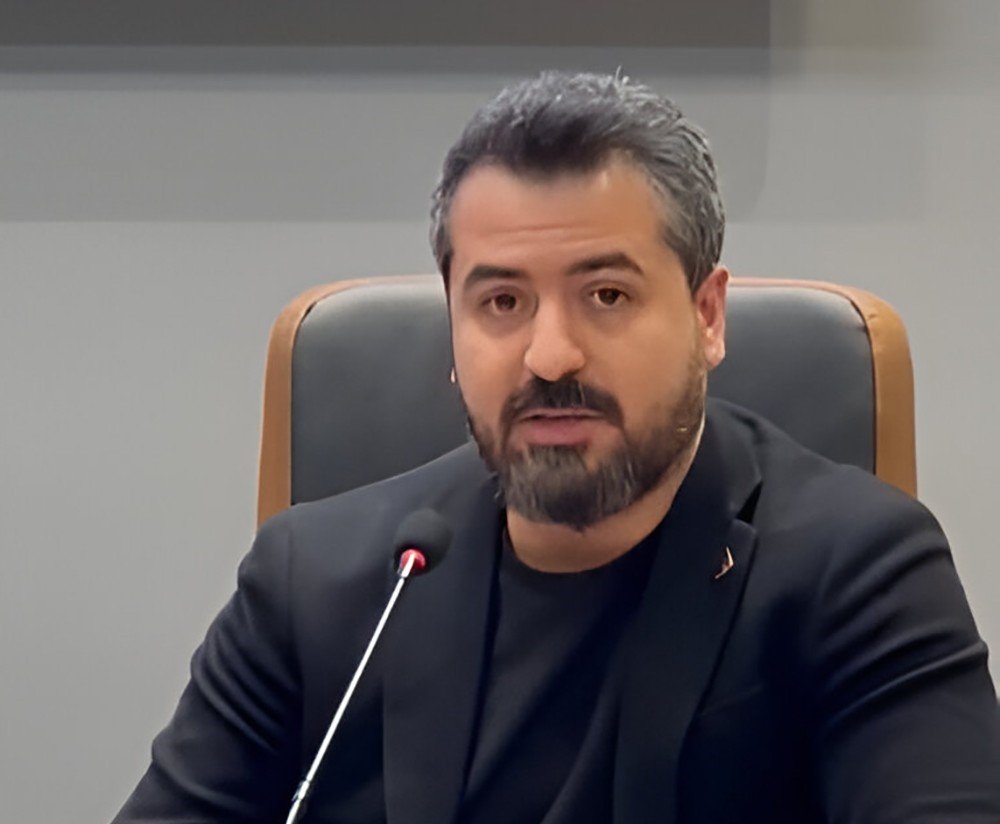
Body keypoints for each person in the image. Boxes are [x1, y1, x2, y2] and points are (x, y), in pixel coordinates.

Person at [115, 72, 1000, 823]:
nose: (549, 356)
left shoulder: (859, 571)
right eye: (502, 303)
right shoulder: (314, 585)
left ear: (706, 317)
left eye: (606, 295)